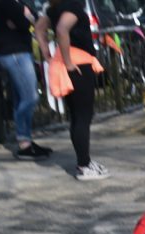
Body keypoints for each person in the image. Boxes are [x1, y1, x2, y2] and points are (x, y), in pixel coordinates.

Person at [34, 0, 107, 179]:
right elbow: (61, 29)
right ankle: (84, 164)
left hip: (69, 62)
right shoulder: (72, 7)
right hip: (76, 64)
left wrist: (46, 51)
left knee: (76, 116)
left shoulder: (54, 8)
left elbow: (39, 28)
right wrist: (68, 63)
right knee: (82, 116)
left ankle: (85, 161)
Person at [0, 0, 52, 159]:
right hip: (15, 53)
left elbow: (34, 18)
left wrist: (28, 17)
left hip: (17, 51)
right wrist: (27, 17)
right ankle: (23, 139)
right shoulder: (4, 2)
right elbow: (26, 23)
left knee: (20, 97)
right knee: (30, 97)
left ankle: (26, 142)